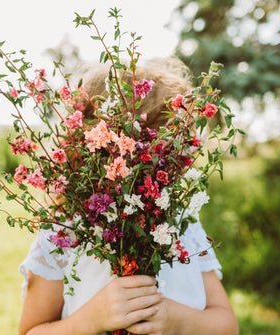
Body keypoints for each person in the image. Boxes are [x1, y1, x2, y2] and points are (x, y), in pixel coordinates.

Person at [18, 59, 239, 335]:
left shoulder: (183, 225)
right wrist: (90, 320)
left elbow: (227, 325)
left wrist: (176, 320)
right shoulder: (63, 235)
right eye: (166, 147)